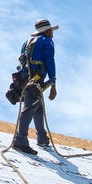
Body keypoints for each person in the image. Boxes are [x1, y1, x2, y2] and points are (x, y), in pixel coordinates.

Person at [11, 18, 58, 154]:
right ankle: (20, 140)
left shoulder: (27, 43)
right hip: (36, 78)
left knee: (38, 106)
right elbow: (50, 62)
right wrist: (53, 83)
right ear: (47, 31)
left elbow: (21, 60)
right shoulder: (47, 42)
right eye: (51, 31)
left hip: (25, 78)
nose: (52, 33)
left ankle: (42, 137)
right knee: (30, 107)